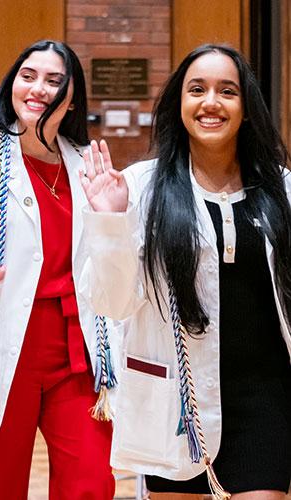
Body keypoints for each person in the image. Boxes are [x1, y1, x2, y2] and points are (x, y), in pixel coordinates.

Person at [79, 44, 291, 500]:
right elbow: (112, 302)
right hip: (177, 405)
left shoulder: (282, 189)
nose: (211, 101)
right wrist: (112, 223)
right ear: (180, 103)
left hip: (265, 404)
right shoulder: (140, 187)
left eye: (227, 91)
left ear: (247, 109)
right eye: (197, 89)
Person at [0, 40, 121, 500]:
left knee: (90, 485)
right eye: (28, 76)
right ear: (12, 83)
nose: (38, 89)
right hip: (0, 342)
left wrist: (114, 218)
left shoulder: (85, 165)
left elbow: (111, 262)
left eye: (54, 81)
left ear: (72, 97)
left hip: (78, 351)